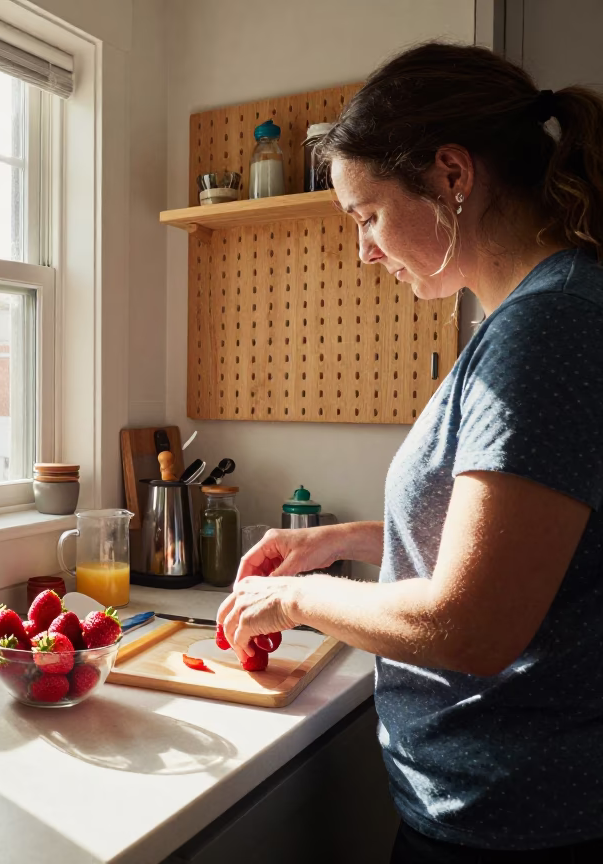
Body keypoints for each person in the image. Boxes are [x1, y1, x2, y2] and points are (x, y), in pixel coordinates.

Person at [217, 42, 603, 863]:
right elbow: (525, 539)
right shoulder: (537, 313)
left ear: (452, 176)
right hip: (504, 806)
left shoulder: (547, 327)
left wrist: (297, 602)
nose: (364, 251)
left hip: (521, 823)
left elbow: (470, 627)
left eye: (368, 216)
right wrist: (345, 541)